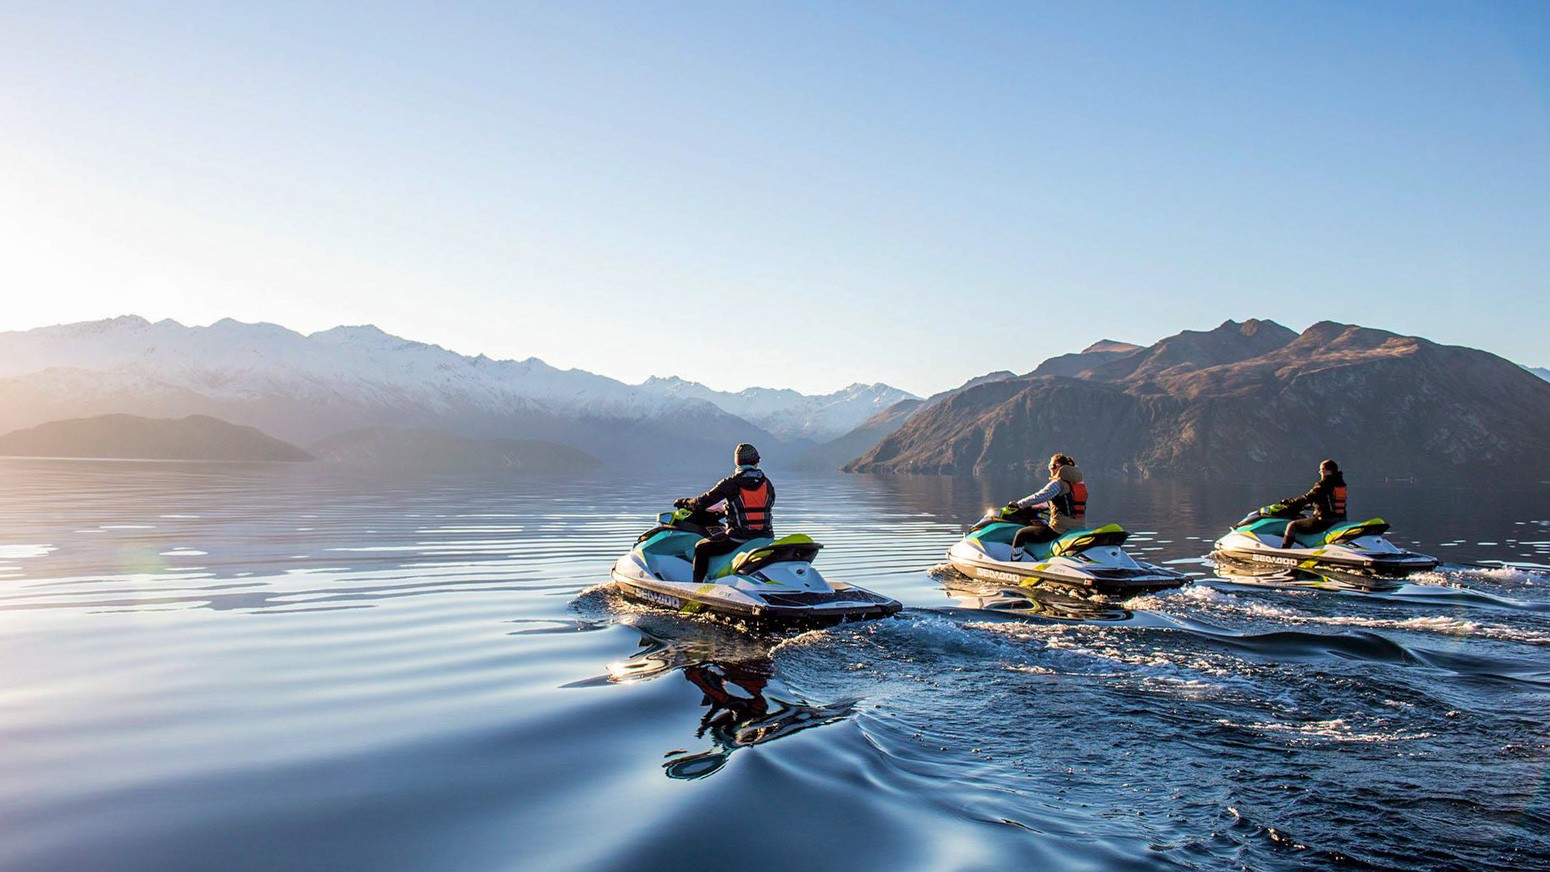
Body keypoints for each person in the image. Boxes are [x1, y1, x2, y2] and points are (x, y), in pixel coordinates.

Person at [680, 443, 775, 583]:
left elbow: (701, 503)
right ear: (756, 461)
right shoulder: (767, 484)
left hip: (738, 539)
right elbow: (756, 506)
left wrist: (685, 502)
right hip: (765, 536)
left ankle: (697, 590)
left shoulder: (731, 483)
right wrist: (726, 509)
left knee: (701, 547)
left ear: (737, 461)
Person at [1006, 453, 1087, 559]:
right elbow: (1065, 503)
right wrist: (1042, 506)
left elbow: (1040, 496)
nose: (1050, 469)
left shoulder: (1058, 483)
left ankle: (1015, 565)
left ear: (1058, 466)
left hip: (1059, 529)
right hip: (1077, 528)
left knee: (1021, 534)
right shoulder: (1078, 485)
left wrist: (1019, 504)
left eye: (1051, 466)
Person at [1277, 459, 1347, 548]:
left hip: (1324, 520)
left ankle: (1284, 552)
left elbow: (1308, 497)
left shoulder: (1324, 484)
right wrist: (1311, 505)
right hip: (1340, 519)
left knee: (1292, 525)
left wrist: (1291, 502)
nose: (1320, 472)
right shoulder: (1340, 483)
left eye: (1321, 470)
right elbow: (1327, 500)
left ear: (1328, 470)